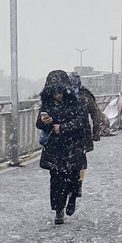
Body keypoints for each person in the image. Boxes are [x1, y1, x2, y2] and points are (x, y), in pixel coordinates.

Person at [37, 70, 87, 225]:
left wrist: (63, 127)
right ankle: (59, 210)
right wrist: (44, 122)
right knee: (56, 180)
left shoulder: (77, 102)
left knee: (72, 177)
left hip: (72, 146)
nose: (57, 96)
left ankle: (72, 198)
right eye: (54, 93)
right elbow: (38, 123)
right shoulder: (47, 104)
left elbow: (82, 122)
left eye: (60, 92)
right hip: (55, 148)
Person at [68, 72, 103, 199]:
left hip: (83, 134)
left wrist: (96, 133)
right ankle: (73, 184)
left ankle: (78, 184)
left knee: (80, 160)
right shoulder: (68, 95)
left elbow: (95, 114)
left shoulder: (85, 96)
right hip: (69, 133)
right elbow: (95, 115)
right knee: (74, 160)